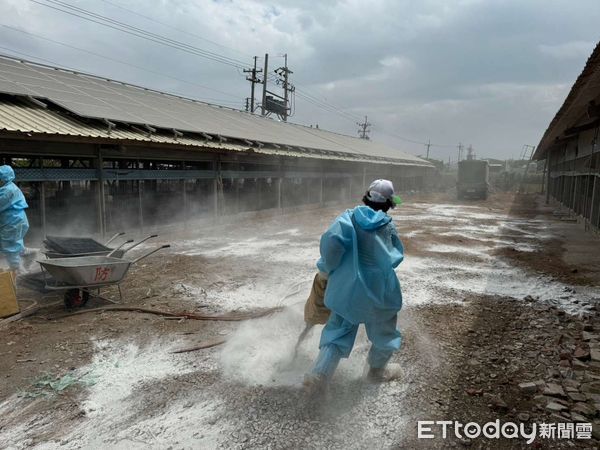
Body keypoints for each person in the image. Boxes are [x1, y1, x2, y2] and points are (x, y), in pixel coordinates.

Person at [304, 179, 404, 391]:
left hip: (348, 290)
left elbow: (331, 243)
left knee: (339, 330)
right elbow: (395, 258)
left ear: (366, 196)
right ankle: (376, 372)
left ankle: (319, 377)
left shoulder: (347, 219)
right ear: (388, 203)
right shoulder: (388, 226)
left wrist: (326, 268)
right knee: (384, 332)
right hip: (380, 290)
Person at [0, 165, 29, 272]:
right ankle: (30, 253)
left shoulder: (8, 191)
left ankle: (18, 272)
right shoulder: (8, 187)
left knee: (10, 247)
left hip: (12, 221)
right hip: (14, 219)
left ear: (3, 178)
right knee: (13, 244)